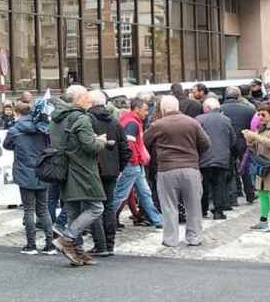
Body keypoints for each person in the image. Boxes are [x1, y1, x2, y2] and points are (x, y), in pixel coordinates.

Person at [50, 85, 107, 267]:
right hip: (83, 169)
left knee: (73, 211)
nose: (89, 100)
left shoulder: (56, 118)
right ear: (77, 99)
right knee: (96, 207)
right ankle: (67, 239)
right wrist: (101, 141)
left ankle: (77, 252)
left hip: (63, 169)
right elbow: (90, 146)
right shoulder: (81, 118)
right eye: (86, 96)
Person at [144, 96, 211, 248]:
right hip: (190, 169)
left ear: (163, 109)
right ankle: (194, 237)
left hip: (166, 169)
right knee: (193, 205)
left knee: (169, 206)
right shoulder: (192, 122)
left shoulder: (157, 125)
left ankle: (170, 239)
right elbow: (206, 143)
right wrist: (193, 153)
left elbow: (144, 141)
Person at [4, 101, 56, 255]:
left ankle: (31, 245)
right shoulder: (43, 128)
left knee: (28, 210)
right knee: (44, 210)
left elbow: (7, 145)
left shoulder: (15, 130)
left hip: (24, 172)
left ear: (16, 113)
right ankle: (49, 244)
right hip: (43, 171)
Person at [86, 90, 130, 257]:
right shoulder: (115, 122)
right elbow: (125, 148)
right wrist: (119, 167)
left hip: (94, 169)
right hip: (111, 170)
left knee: (95, 206)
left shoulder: (88, 120)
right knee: (108, 206)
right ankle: (109, 243)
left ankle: (100, 244)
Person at [111, 98, 163, 229]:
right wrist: (135, 159)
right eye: (145, 110)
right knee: (122, 194)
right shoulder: (132, 123)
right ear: (137, 109)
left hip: (134, 163)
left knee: (143, 192)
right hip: (133, 163)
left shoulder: (127, 120)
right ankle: (105, 219)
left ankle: (157, 219)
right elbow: (130, 145)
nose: (147, 113)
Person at [243, 104, 270, 232]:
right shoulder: (261, 128)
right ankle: (263, 221)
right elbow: (255, 146)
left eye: (263, 114)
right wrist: (249, 139)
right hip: (263, 166)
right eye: (258, 114)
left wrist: (254, 136)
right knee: (262, 193)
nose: (260, 117)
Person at [195, 98, 236, 220]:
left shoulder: (199, 119)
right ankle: (218, 211)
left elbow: (195, 139)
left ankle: (202, 210)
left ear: (207, 108)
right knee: (219, 185)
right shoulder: (226, 119)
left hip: (203, 159)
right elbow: (232, 139)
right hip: (221, 158)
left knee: (203, 186)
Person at [222, 86, 257, 204]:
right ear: (239, 96)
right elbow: (253, 127)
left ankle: (232, 197)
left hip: (227, 142)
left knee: (229, 168)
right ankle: (250, 194)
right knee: (245, 168)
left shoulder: (221, 109)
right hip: (244, 141)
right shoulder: (249, 110)